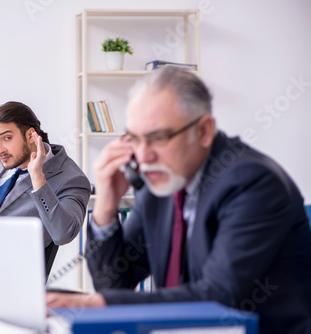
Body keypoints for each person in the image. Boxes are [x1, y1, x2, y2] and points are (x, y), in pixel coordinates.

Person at [46, 67, 311, 334]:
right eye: (134, 139)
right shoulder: (161, 182)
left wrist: (94, 304)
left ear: (205, 131)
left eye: (158, 138)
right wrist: (105, 204)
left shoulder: (252, 182)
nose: (144, 156)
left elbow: (218, 296)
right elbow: (114, 284)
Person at [0, 101, 91, 265]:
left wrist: (37, 177)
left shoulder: (72, 179)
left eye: (7, 138)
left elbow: (63, 234)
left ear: (30, 135)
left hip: (15, 270)